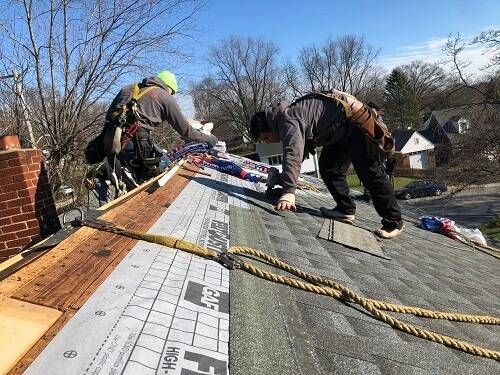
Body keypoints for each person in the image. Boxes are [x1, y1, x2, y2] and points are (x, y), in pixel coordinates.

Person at [250, 89, 404, 239]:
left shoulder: (288, 119)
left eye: (265, 138)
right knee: (329, 168)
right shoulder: (288, 116)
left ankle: (394, 221)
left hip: (355, 125)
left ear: (268, 127)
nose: (268, 142)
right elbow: (299, 157)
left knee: (370, 172)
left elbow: (293, 153)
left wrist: (289, 193)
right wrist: (282, 179)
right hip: (340, 131)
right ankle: (345, 209)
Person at [102, 70, 218, 185]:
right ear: (169, 88)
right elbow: (186, 131)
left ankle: (115, 170)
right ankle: (134, 177)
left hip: (109, 138)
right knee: (157, 169)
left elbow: (109, 115)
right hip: (135, 141)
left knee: (154, 152)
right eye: (172, 93)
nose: (171, 95)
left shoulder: (129, 88)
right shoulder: (165, 96)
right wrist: (209, 139)